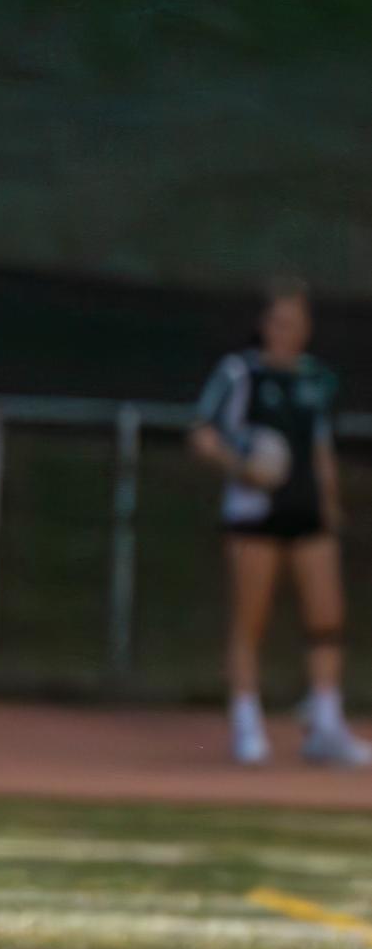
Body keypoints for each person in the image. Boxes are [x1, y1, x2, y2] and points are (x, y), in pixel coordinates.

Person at [189, 277, 368, 766]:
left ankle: (326, 724)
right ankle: (248, 723)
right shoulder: (239, 374)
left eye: (296, 322)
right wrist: (242, 466)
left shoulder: (316, 379)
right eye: (278, 321)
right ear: (264, 324)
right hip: (255, 513)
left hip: (306, 510)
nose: (286, 331)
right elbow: (203, 435)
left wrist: (330, 501)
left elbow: (319, 444)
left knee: (327, 618)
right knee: (251, 620)